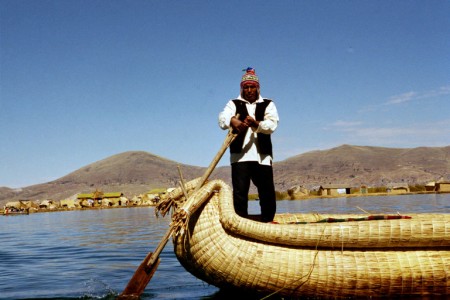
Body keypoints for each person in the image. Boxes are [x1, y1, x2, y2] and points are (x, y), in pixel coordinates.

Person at [218, 67, 279, 222]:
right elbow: (222, 118)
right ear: (242, 88)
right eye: (246, 87)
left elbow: (272, 125)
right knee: (240, 192)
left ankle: (267, 221)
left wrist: (255, 123)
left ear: (258, 88)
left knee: (266, 191)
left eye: (252, 87)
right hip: (240, 157)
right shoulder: (233, 103)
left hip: (262, 156)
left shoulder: (268, 104)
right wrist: (232, 120)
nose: (250, 90)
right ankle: (240, 223)